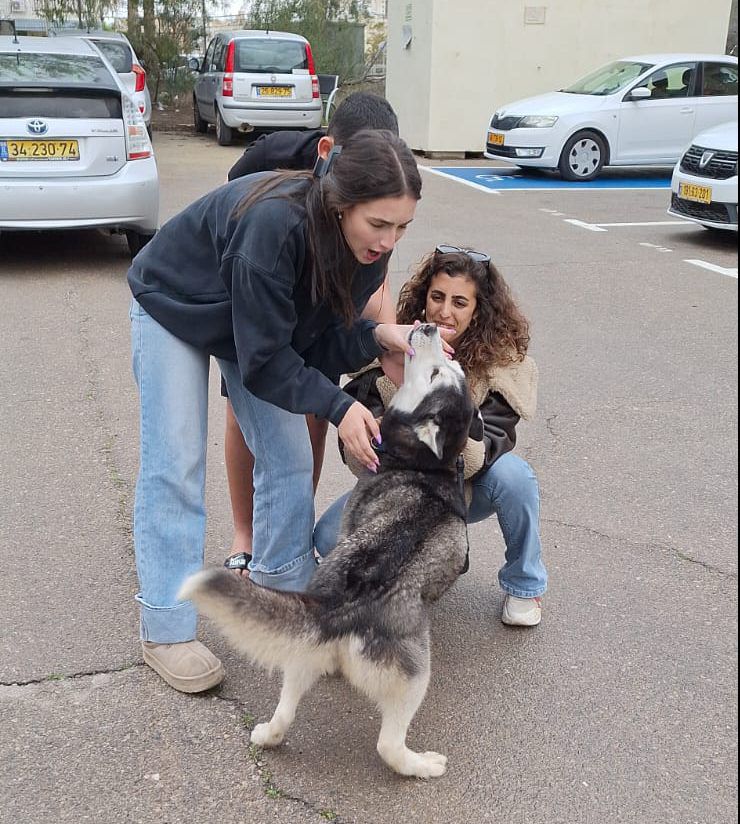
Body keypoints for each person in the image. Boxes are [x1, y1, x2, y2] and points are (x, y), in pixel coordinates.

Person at [127, 129, 439, 693]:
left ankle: (281, 605)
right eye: (379, 224)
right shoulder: (274, 227)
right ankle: (166, 630)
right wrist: (340, 406)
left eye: (402, 228)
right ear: (342, 204)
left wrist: (378, 337)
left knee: (290, 454)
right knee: (175, 462)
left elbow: (313, 342)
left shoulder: (367, 253)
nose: (389, 241)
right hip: (175, 302)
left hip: (249, 326)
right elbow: (268, 361)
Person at [313, 245, 548, 627]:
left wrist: (444, 406)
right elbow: (361, 456)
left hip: (465, 489)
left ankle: (525, 585)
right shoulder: (393, 350)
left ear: (479, 310)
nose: (445, 311)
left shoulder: (503, 367)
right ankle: (400, 581)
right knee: (326, 540)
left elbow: (485, 450)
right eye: (437, 297)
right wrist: (374, 421)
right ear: (424, 300)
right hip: (397, 489)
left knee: (515, 477)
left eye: (460, 302)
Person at [222, 92, 400, 576]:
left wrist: (383, 338)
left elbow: (375, 284)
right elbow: (236, 212)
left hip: (328, 290)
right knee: (247, 410)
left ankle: (291, 532)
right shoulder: (274, 159)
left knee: (315, 409)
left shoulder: (379, 209)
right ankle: (246, 533)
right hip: (265, 292)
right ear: (329, 151)